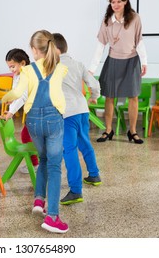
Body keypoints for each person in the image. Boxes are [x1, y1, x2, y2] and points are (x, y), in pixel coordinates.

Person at [2, 30, 68, 233]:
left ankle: (39, 200)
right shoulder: (60, 68)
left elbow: (16, 93)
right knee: (55, 166)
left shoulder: (28, 71)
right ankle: (53, 218)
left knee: (43, 158)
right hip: (53, 119)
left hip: (32, 121)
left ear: (33, 50)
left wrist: (5, 100)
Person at [89, 0, 147, 144]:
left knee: (133, 97)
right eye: (112, 1)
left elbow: (139, 41)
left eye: (119, 1)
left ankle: (133, 132)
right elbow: (100, 45)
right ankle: (108, 130)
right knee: (109, 97)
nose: (115, 4)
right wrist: (91, 69)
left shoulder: (135, 18)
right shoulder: (107, 20)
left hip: (132, 61)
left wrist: (144, 61)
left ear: (126, 1)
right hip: (113, 61)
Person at [53, 33, 102, 205]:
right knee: (85, 143)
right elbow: (93, 84)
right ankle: (94, 174)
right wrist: (94, 96)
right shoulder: (78, 64)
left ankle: (75, 190)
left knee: (69, 150)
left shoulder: (54, 67)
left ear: (56, 49)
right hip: (82, 110)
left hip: (67, 113)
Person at [0, 48, 39, 173]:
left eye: (13, 66)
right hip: (32, 111)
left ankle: (36, 164)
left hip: (38, 110)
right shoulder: (18, 75)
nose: (11, 70)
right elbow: (17, 93)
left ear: (22, 63)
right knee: (28, 135)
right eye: (9, 67)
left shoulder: (27, 74)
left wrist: (11, 112)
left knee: (26, 135)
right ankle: (37, 163)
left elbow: (23, 96)